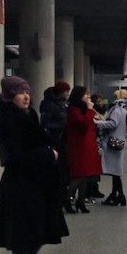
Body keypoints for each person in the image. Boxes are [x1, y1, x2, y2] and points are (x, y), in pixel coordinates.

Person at [0, 76, 68, 254]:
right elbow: (15, 155)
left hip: (38, 180)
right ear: (9, 96)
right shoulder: (6, 121)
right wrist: (47, 154)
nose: (26, 97)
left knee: (39, 230)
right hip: (20, 183)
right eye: (20, 93)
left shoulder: (29, 115)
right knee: (22, 232)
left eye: (27, 92)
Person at [64, 85, 111, 212]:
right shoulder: (73, 110)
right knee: (79, 175)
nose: (88, 96)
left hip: (88, 145)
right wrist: (90, 110)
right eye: (86, 94)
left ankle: (81, 201)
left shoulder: (83, 109)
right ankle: (67, 200)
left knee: (87, 175)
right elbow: (83, 123)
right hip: (79, 147)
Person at [40, 82, 74, 214]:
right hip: (56, 142)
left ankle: (62, 200)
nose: (68, 94)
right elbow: (45, 124)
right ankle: (61, 201)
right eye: (66, 91)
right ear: (60, 92)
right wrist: (63, 126)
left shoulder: (61, 104)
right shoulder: (50, 105)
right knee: (61, 173)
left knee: (65, 172)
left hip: (62, 141)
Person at [99, 88, 127, 206]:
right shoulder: (126, 109)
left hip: (112, 142)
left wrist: (98, 123)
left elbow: (113, 123)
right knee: (115, 172)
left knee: (115, 171)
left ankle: (119, 196)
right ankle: (117, 195)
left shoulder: (117, 109)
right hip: (119, 141)